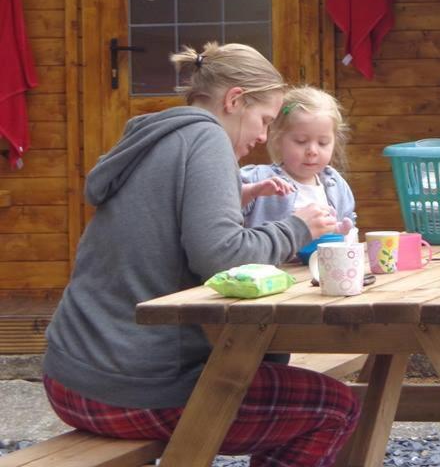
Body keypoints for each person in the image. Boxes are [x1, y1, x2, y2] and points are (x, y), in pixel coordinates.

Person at [42, 42, 359, 467]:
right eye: (264, 119)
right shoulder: (208, 139)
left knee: (274, 369)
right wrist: (298, 226)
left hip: (72, 375)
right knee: (334, 407)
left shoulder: (165, 135)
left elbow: (175, 222)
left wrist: (239, 194)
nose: (264, 136)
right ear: (234, 100)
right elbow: (223, 257)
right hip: (129, 387)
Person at [241, 86, 357, 242]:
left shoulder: (335, 184)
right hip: (276, 266)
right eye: (301, 141)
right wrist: (252, 191)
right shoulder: (259, 178)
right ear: (278, 139)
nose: (312, 151)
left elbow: (349, 225)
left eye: (323, 143)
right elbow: (224, 206)